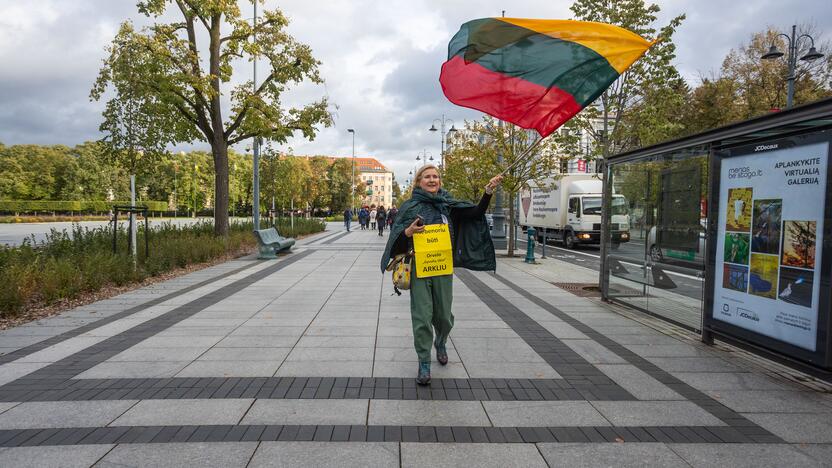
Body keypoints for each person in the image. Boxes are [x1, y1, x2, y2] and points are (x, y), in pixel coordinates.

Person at [381, 165, 502, 385]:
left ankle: (441, 341)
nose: (432, 179)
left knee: (444, 316)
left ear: (440, 181)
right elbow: (396, 239)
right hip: (419, 269)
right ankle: (424, 362)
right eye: (427, 176)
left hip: (443, 269)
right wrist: (408, 232)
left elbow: (475, 213)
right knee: (422, 316)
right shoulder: (410, 206)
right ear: (419, 181)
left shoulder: (448, 205)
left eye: (435, 176)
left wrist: (488, 191)